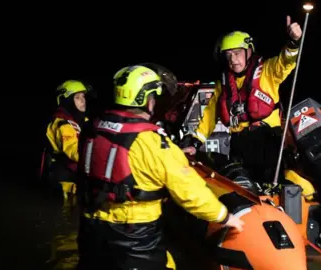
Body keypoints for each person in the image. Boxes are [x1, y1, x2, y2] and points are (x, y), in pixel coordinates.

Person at [75, 64, 244, 270]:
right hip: (135, 235)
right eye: (154, 97)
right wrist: (223, 216)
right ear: (146, 99)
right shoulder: (152, 141)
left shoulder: (93, 129)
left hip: (91, 228)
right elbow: (189, 190)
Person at [181, 17, 303, 185]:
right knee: (242, 185)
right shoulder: (222, 85)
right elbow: (209, 117)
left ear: (249, 51)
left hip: (267, 140)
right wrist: (194, 142)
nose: (233, 59)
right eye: (228, 55)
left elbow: (286, 62)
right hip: (239, 143)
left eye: (237, 53)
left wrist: (293, 42)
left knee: (271, 184)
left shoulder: (268, 71)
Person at [42, 80, 90, 200]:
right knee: (66, 212)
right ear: (67, 102)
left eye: (83, 96)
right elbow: (74, 153)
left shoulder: (82, 120)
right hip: (64, 177)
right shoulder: (62, 125)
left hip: (76, 173)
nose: (82, 100)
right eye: (77, 97)